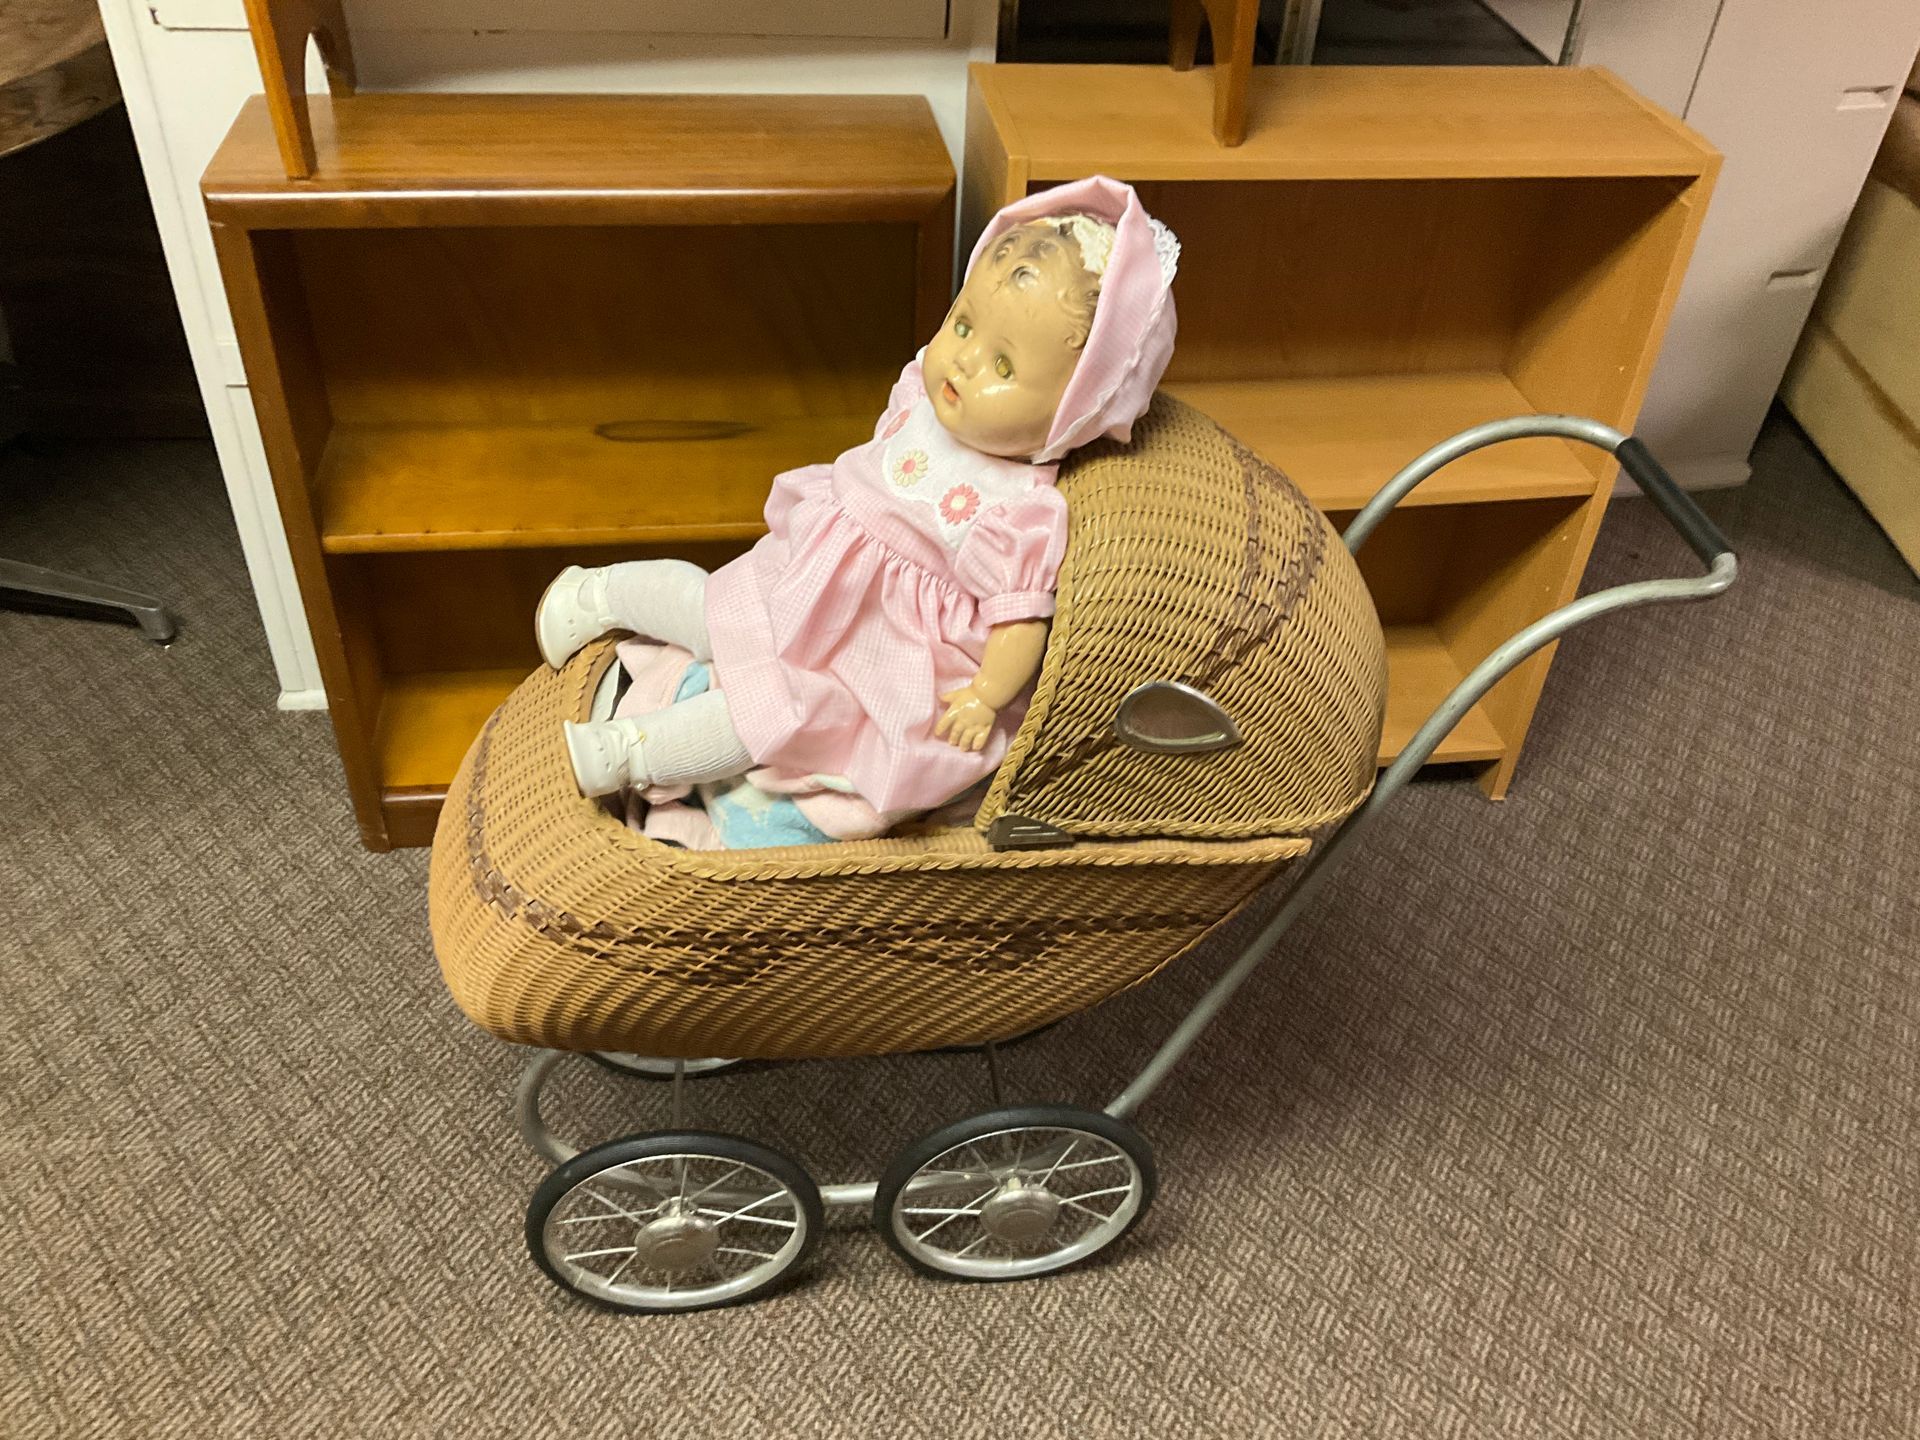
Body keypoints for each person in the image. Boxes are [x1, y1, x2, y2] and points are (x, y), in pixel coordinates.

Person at [536, 176, 1180, 821]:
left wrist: (986, 695)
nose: (963, 362)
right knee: (713, 604)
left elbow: (1021, 620)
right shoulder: (922, 395)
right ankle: (596, 593)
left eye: (1004, 367)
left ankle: (629, 752)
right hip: (805, 578)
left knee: (767, 716)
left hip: (870, 646)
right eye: (963, 326)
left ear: (1076, 412)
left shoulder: (1017, 511)